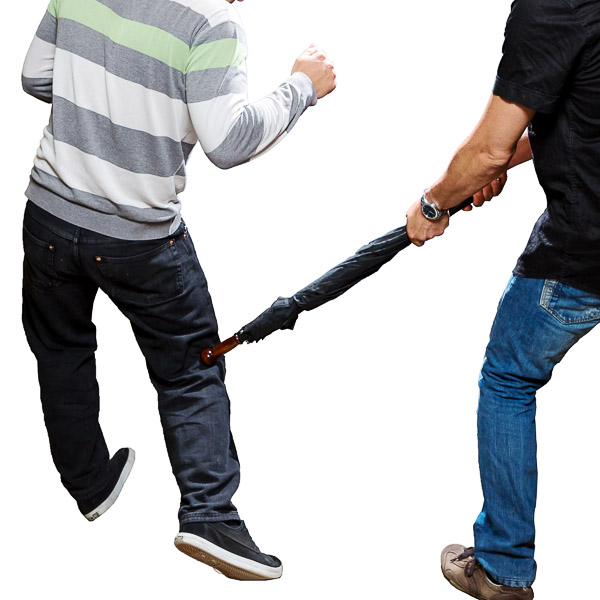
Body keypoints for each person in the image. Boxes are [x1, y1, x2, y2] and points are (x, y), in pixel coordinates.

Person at [21, 0, 336, 581]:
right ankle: (210, 515)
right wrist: (302, 88)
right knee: (191, 368)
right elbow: (229, 142)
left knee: (60, 349)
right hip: (137, 237)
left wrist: (99, 107)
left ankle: (89, 483)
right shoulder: (211, 24)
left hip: (48, 216)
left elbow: (36, 75)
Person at [406, 0, 600, 598]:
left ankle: (503, 569)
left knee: (508, 378)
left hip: (585, 252)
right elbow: (577, 102)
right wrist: (503, 158)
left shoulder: (552, 7)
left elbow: (488, 149)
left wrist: (435, 203)